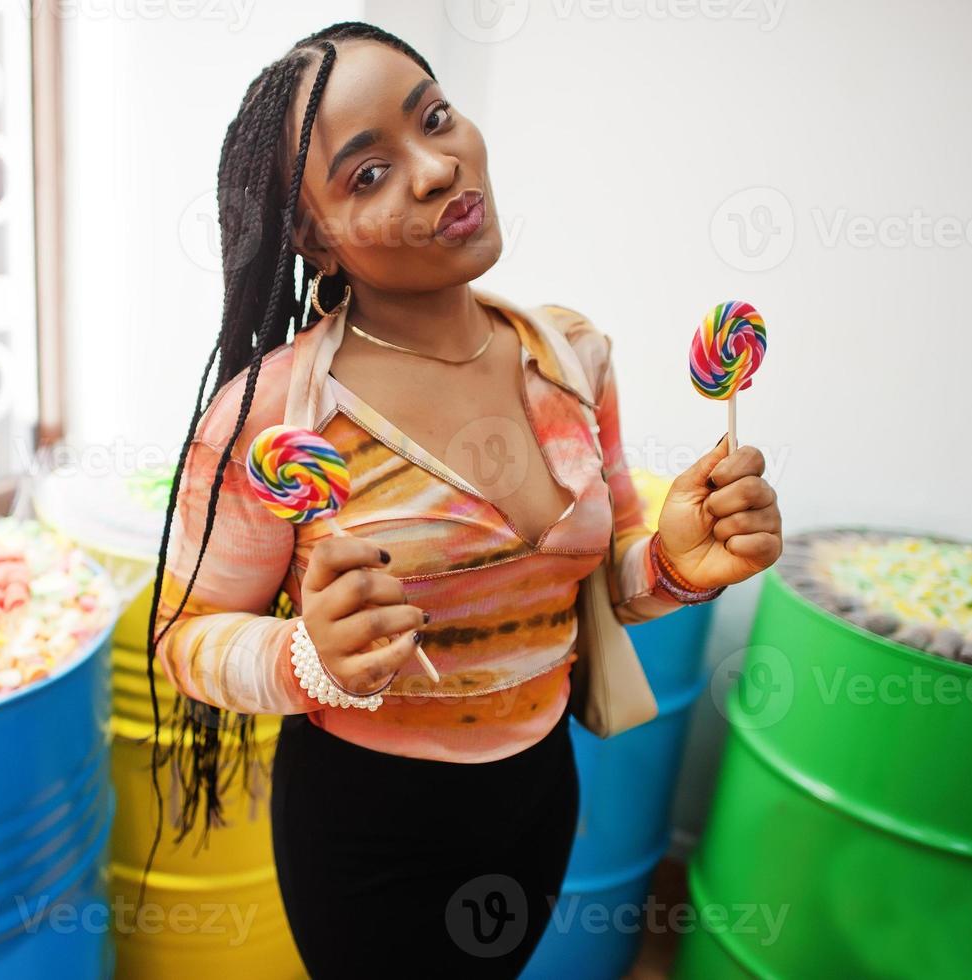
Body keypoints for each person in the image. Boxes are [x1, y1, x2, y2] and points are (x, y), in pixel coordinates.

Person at [145, 21, 782, 978]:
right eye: (366, 174)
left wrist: (675, 565)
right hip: (368, 817)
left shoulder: (569, 356)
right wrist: (307, 657)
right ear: (314, 236)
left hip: (538, 789)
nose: (436, 168)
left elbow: (600, 585)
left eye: (434, 118)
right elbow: (183, 637)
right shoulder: (277, 417)